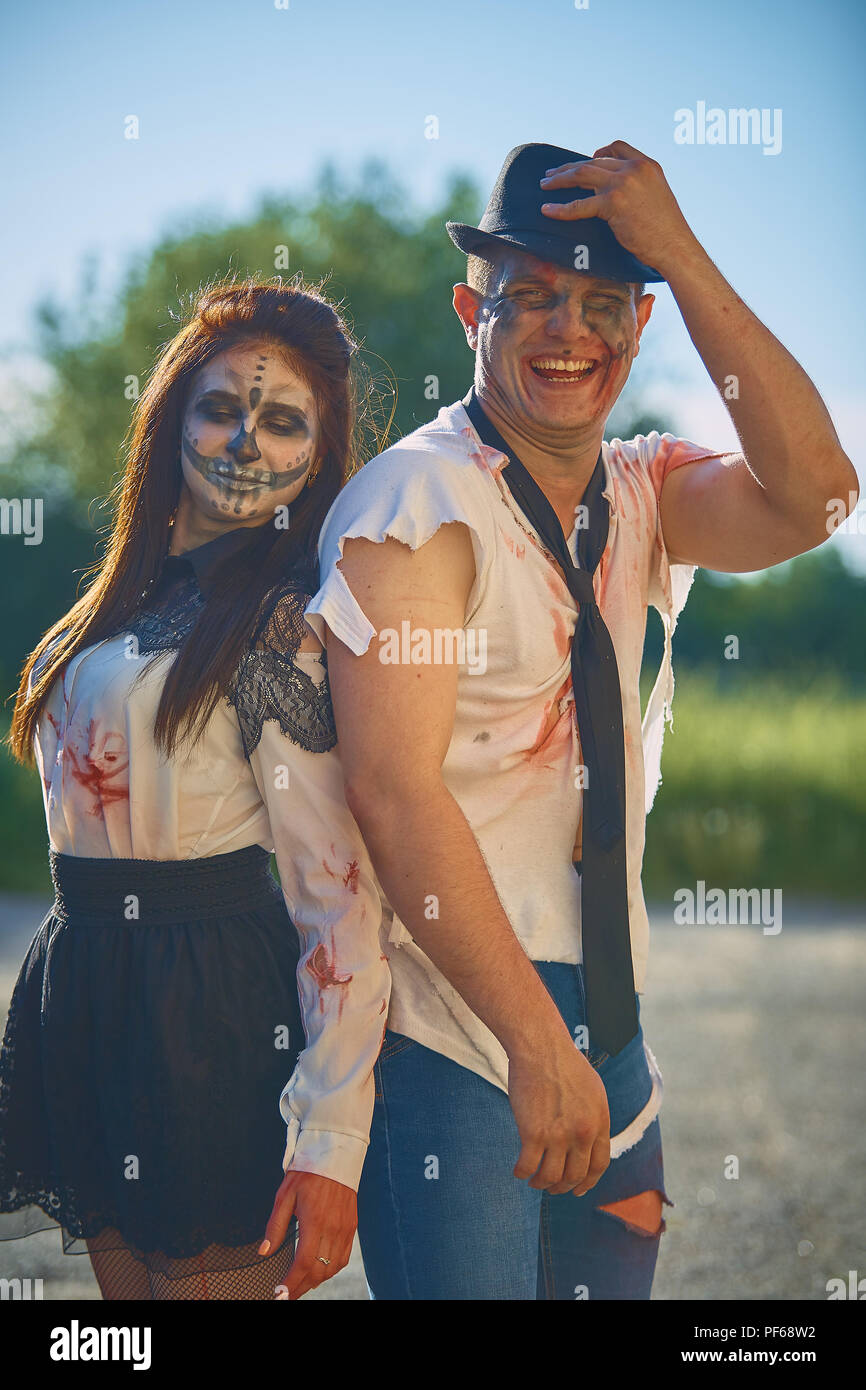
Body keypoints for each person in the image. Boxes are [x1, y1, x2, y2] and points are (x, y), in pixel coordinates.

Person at [304, 141, 858, 1299]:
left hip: (608, 1023)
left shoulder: (637, 487)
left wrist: (683, 254)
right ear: (471, 311)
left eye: (602, 302)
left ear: (639, 327)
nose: (569, 332)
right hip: (460, 1029)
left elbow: (817, 495)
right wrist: (532, 1044)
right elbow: (392, 793)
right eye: (533, 298)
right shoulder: (417, 502)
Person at [0, 276, 390, 1301]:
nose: (243, 441)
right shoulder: (120, 595)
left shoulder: (278, 625)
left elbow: (337, 897)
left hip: (209, 1008)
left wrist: (331, 1141)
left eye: (280, 421)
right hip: (90, 988)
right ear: (172, 416)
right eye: (220, 407)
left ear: (315, 455)